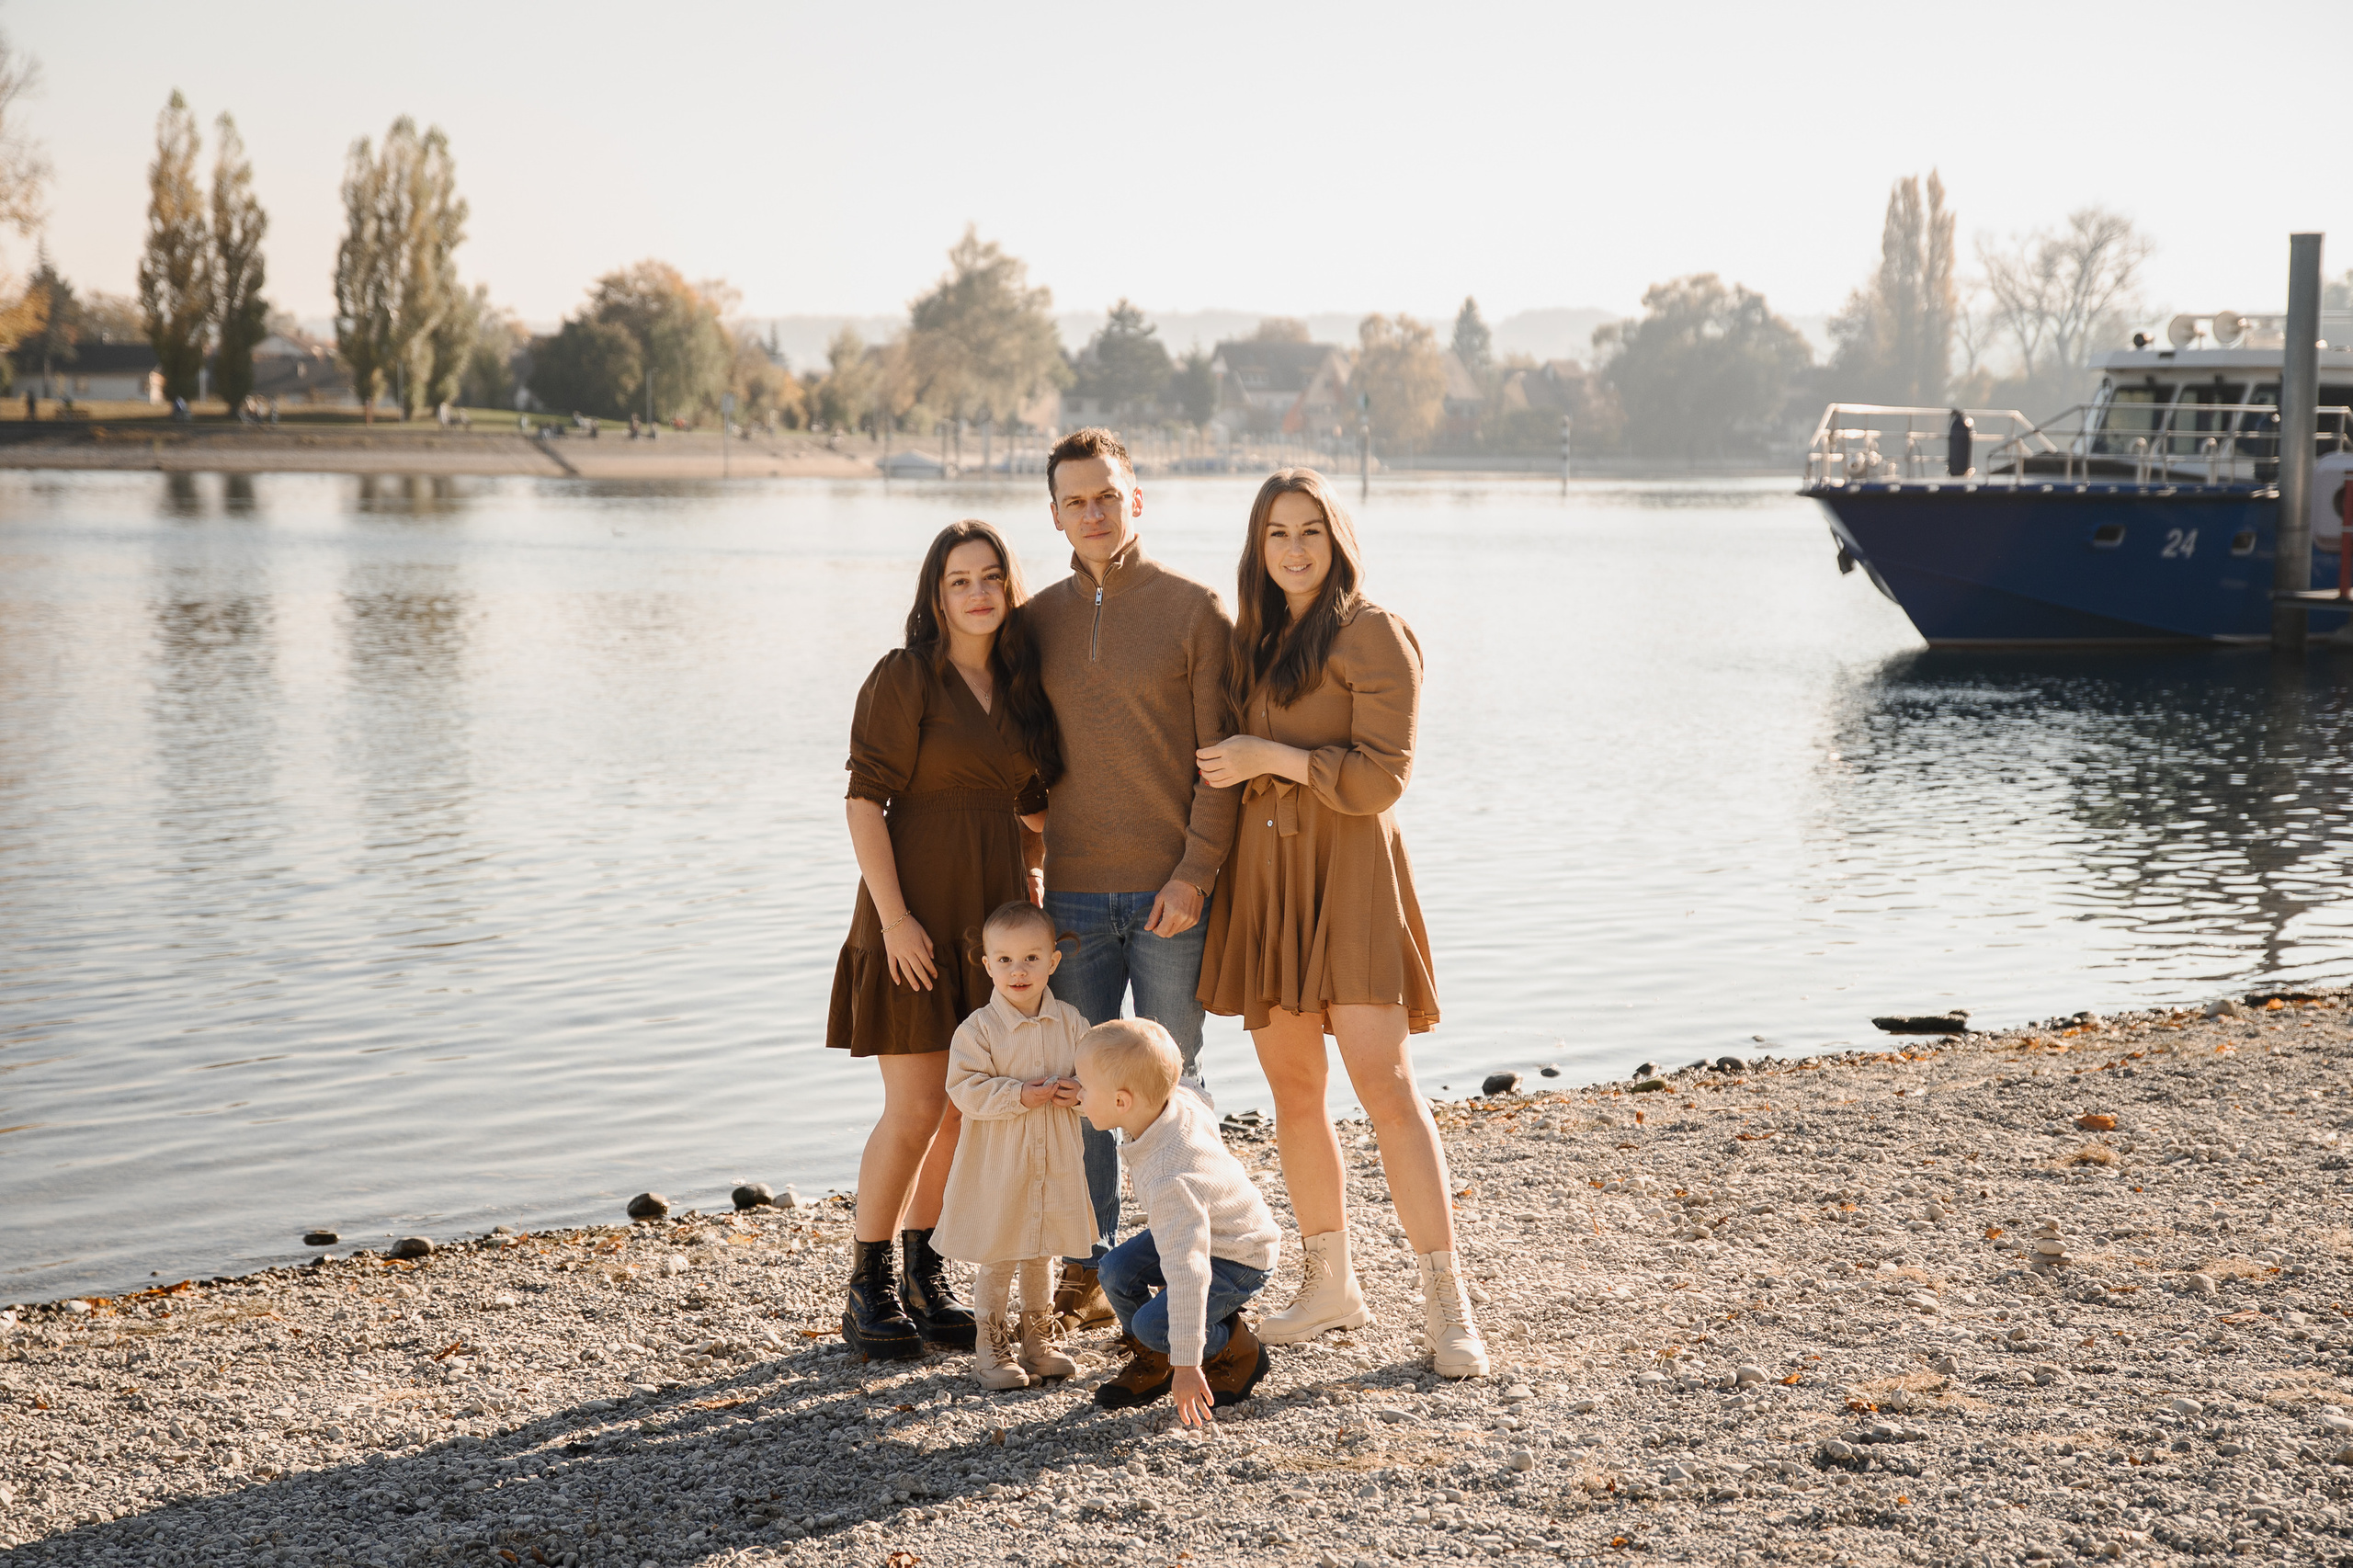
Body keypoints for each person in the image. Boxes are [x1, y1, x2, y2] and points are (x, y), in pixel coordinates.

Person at [1194, 467, 1489, 1379]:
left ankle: (1448, 1303)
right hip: (1268, 881)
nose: (1292, 549)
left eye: (1309, 531)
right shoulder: (1250, 640)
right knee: (1292, 1087)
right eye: (1276, 533)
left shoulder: (1374, 634)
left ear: (1338, 538)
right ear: (1258, 545)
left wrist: (1267, 755)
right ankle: (1331, 1288)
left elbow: (1379, 780)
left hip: (1350, 873)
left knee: (1386, 1084)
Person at [826, 519, 1063, 1362]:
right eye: (960, 580)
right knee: (917, 1107)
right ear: (936, 594)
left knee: (966, 1108)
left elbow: (1036, 804)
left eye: (992, 577)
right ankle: (869, 1284)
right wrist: (894, 920)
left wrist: (1049, 868)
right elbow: (864, 803)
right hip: (915, 915)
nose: (978, 593)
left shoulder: (1024, 688)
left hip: (992, 926)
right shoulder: (906, 678)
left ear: (1010, 587)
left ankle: (928, 1275)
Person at [1029, 427, 1242, 1334]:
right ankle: (1086, 1261)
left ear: (1136, 500)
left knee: (1172, 1081)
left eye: (1106, 495)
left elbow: (1219, 764)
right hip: (1072, 895)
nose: (1091, 512)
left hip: (1169, 896)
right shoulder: (1033, 620)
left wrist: (1195, 873)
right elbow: (1015, 761)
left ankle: (1182, 1254)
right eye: (1074, 499)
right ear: (1053, 514)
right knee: (1083, 1085)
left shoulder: (1195, 611)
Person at [1074, 1019, 1276, 1423]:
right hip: (1207, 1226)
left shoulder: (1169, 1178)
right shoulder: (1173, 1099)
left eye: (1083, 1086)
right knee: (1113, 1269)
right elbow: (1195, 1090)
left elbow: (1189, 1271)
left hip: (1239, 1256)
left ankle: (1232, 1347)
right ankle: (1157, 1356)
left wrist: (1187, 1364)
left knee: (1153, 1324)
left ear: (1121, 1103)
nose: (1077, 1093)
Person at [932, 900, 1093, 1390]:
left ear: (1053, 961)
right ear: (986, 964)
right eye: (1004, 960)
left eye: (1030, 958)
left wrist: (1080, 1093)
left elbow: (1098, 1079)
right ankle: (991, 1342)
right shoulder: (978, 1029)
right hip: (1000, 1160)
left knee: (1041, 1249)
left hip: (1056, 1157)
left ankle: (1038, 1338)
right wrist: (1020, 1094)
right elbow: (964, 1088)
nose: (1018, 971)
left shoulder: (1071, 1022)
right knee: (1001, 1250)